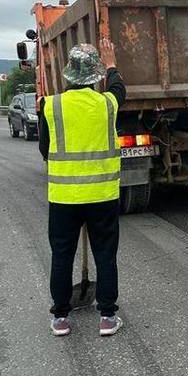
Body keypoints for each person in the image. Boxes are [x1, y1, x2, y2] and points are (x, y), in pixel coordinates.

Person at [38, 39, 126, 337]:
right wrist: (112, 64)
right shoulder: (108, 104)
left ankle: (61, 317)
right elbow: (117, 88)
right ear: (96, 75)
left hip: (64, 197)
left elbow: (44, 149)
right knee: (105, 254)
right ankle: (107, 316)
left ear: (67, 75)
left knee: (62, 254)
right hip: (102, 195)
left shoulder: (50, 105)